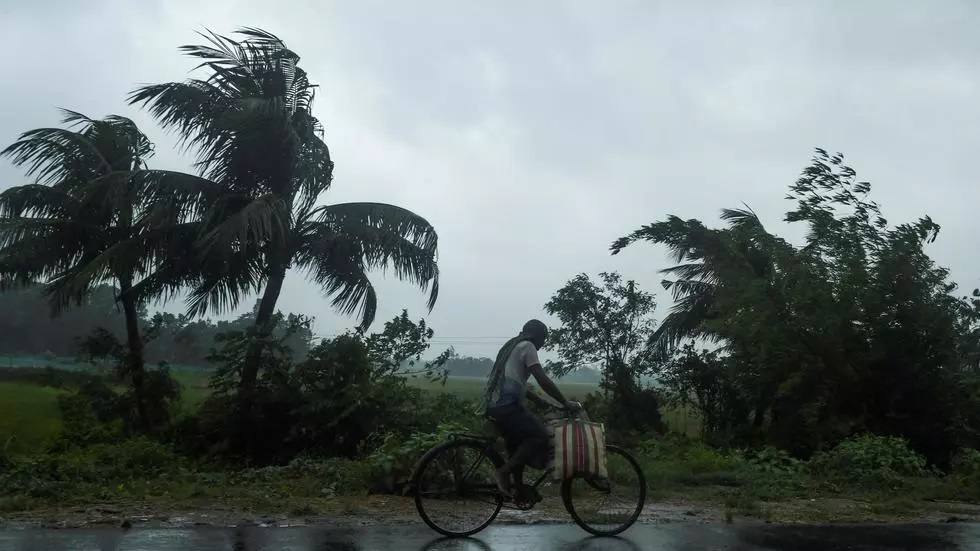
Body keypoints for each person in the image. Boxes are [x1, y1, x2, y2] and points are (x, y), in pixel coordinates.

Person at [480, 319, 579, 498]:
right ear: (538, 335)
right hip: (507, 407)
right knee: (538, 437)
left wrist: (538, 400)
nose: (543, 344)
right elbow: (541, 378)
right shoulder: (528, 346)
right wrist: (565, 402)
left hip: (494, 406)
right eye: (544, 339)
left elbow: (514, 381)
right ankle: (503, 473)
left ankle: (518, 489)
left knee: (517, 445)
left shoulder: (511, 346)